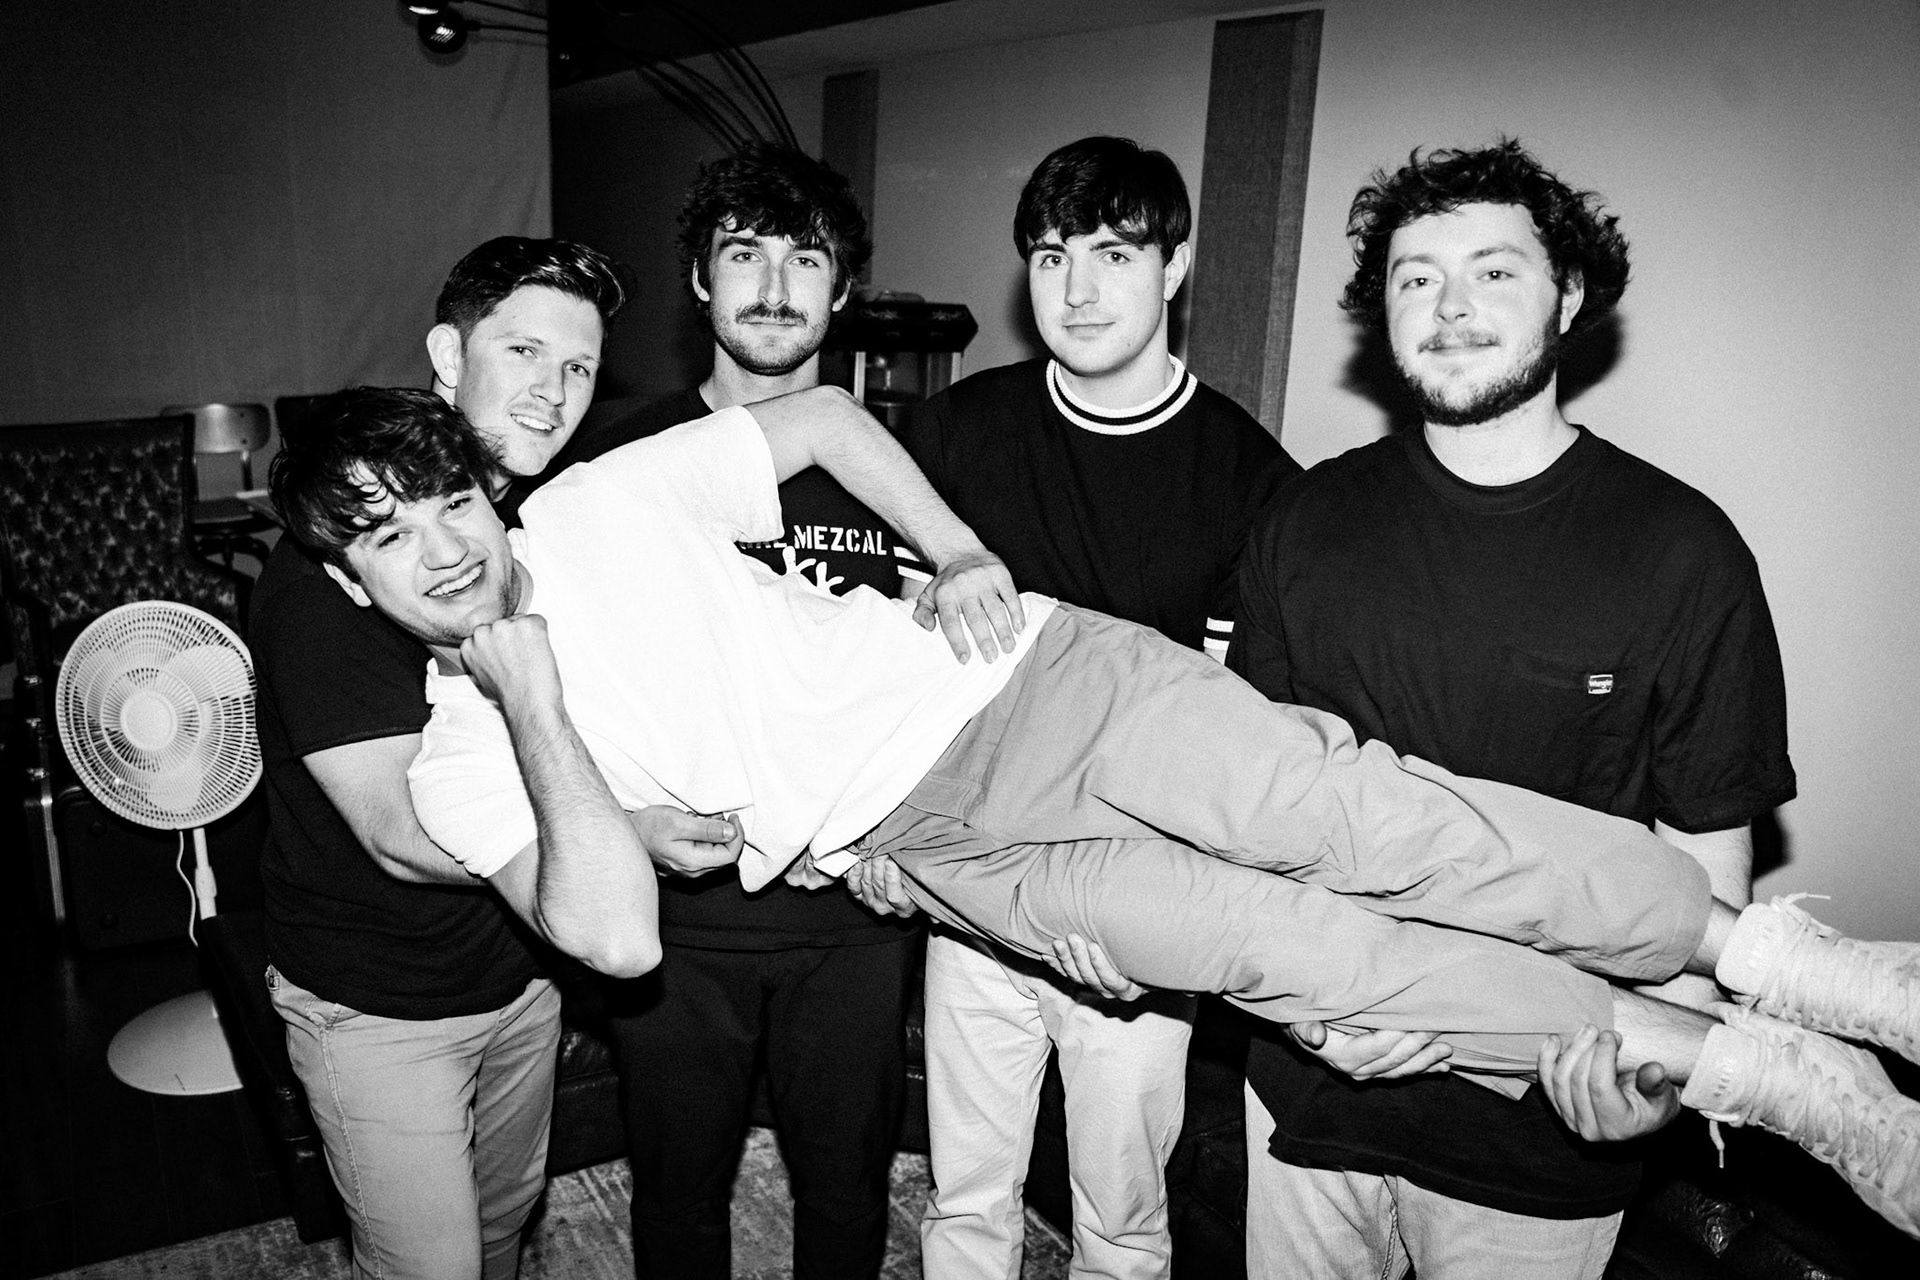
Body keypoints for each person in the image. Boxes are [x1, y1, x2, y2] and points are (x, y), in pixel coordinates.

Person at [279, 382, 1920, 1240]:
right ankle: (1761, 1079)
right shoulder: (459, 761)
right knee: (1307, 962)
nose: (442, 548)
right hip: (935, 857)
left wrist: (961, 551)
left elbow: (829, 423)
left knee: (1364, 821)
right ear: (350, 583)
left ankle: (1780, 967)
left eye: (445, 501)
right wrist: (532, 695)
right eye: (386, 537)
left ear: (485, 489)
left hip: (1029, 683)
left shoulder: (597, 502)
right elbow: (618, 943)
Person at [1223, 139, 1799, 1278]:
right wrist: (1302, 1010)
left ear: (1568, 296)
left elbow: (1702, 865)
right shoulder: (1305, 519)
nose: (1450, 306)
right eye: (1416, 276)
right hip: (1307, 1092)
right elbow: (1248, 803)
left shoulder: (1682, 554)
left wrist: (1660, 1077)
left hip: (1543, 1122)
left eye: (1493, 271)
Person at [251, 238, 740, 1280]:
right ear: (449, 354)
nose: (551, 392)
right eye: (523, 351)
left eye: (577, 367)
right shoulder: (323, 576)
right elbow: (396, 831)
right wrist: (626, 834)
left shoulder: (523, 516)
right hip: (379, 1000)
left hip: (521, 972)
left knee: (506, 1221)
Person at [875, 135, 1300, 1279]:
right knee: (965, 1199)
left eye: (1113, 254)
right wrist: (895, 841)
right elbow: (906, 675)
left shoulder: (1249, 478)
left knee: (1120, 1224)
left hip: (1131, 896)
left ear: (1175, 267)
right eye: (1052, 256)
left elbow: (1229, 739)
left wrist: (1148, 925)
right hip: (972, 878)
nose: (1077, 288)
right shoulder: (960, 430)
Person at [556, 142, 920, 1280]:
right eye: (743, 253)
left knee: (849, 1192)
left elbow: (934, 686)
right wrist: (624, 822)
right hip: (681, 917)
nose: (772, 285)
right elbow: (561, 680)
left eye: (805, 259)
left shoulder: (901, 470)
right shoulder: (615, 454)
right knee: (676, 1196)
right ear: (700, 278)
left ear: (842, 288)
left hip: (852, 915)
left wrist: (906, 844)